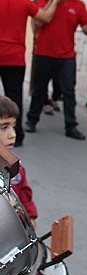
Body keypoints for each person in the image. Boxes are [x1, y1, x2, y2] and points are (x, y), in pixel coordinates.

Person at [25, 0, 87, 140]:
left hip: (67, 55)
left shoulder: (79, 5)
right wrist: (54, 0)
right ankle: (32, 120)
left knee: (69, 91)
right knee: (40, 89)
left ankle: (71, 125)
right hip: (44, 52)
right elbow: (38, 22)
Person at [0, 0, 66, 147]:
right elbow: (45, 17)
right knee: (14, 97)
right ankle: (17, 135)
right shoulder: (23, 1)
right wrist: (54, 1)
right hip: (15, 58)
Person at [0, 96, 37, 227]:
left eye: (13, 126)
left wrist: (30, 217)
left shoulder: (16, 168)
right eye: (4, 127)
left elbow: (25, 198)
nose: (12, 134)